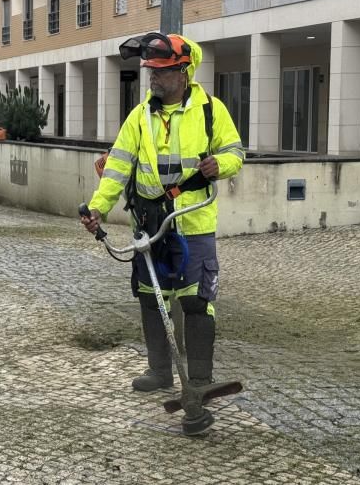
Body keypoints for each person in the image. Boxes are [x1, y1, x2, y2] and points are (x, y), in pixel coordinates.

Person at [81, 33, 244, 392]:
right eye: (150, 71)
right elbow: (117, 168)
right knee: (152, 297)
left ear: (184, 72)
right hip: (149, 224)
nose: (153, 78)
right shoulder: (139, 117)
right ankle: (160, 371)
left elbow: (236, 152)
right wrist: (97, 209)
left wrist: (223, 164)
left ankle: (199, 381)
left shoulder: (210, 111)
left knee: (197, 301)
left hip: (194, 221)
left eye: (162, 71)